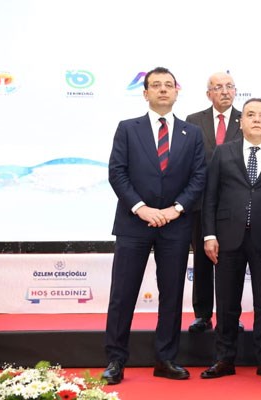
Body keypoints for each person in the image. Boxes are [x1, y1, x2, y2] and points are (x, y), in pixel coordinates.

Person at [103, 66, 206, 384]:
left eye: (168, 85)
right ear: (145, 93)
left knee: (172, 294)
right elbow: (117, 172)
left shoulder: (192, 133)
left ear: (177, 92)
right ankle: (115, 360)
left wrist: (176, 209)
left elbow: (198, 176)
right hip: (134, 222)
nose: (163, 89)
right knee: (123, 294)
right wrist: (142, 209)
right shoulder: (127, 128)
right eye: (156, 85)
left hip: (175, 225)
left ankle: (166, 359)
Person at [200, 98, 261, 380]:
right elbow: (210, 196)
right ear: (240, 122)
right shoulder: (223, 152)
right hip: (227, 237)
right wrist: (209, 234)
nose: (256, 119)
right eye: (250, 114)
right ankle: (224, 359)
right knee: (227, 302)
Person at [185, 72, 242, 333]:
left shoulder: (246, 119)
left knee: (232, 263)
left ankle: (230, 316)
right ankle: (202, 314)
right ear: (209, 94)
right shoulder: (193, 121)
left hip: (234, 202)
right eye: (218, 87)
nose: (225, 91)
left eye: (229, 86)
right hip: (201, 201)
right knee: (202, 260)